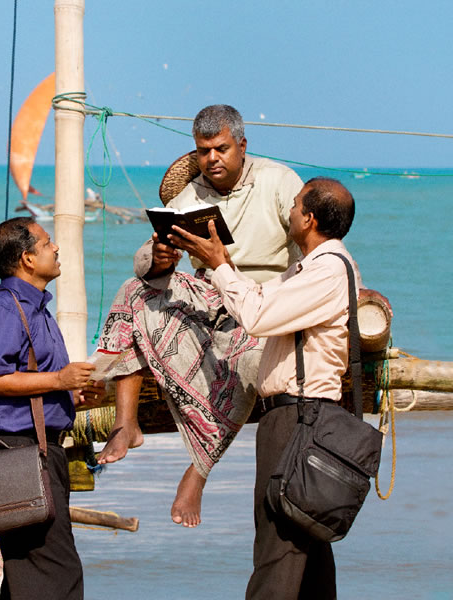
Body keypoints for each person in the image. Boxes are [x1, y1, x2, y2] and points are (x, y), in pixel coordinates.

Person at [96, 104, 304, 527]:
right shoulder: (191, 194)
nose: (212, 159)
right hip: (210, 299)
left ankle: (198, 472)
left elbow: (308, 243)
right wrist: (158, 257)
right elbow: (143, 260)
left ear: (241, 146)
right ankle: (126, 421)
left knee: (248, 361)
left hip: (265, 303)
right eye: (204, 150)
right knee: (134, 292)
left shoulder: (278, 181)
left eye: (221, 149)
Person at [171, 177, 362, 599]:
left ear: (309, 218)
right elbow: (257, 297)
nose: (290, 211)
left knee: (277, 544)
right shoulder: (312, 266)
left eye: (295, 205)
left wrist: (220, 264)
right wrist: (219, 261)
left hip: (300, 417)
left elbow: (256, 315)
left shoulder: (327, 270)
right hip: (298, 415)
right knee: (307, 547)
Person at [0, 216, 99, 600]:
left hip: (38, 452)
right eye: (47, 243)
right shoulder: (5, 308)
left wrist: (69, 395)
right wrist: (59, 381)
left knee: (32, 571)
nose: (56, 248)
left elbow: (27, 380)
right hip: (18, 454)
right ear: (26, 258)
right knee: (54, 572)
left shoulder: (36, 309)